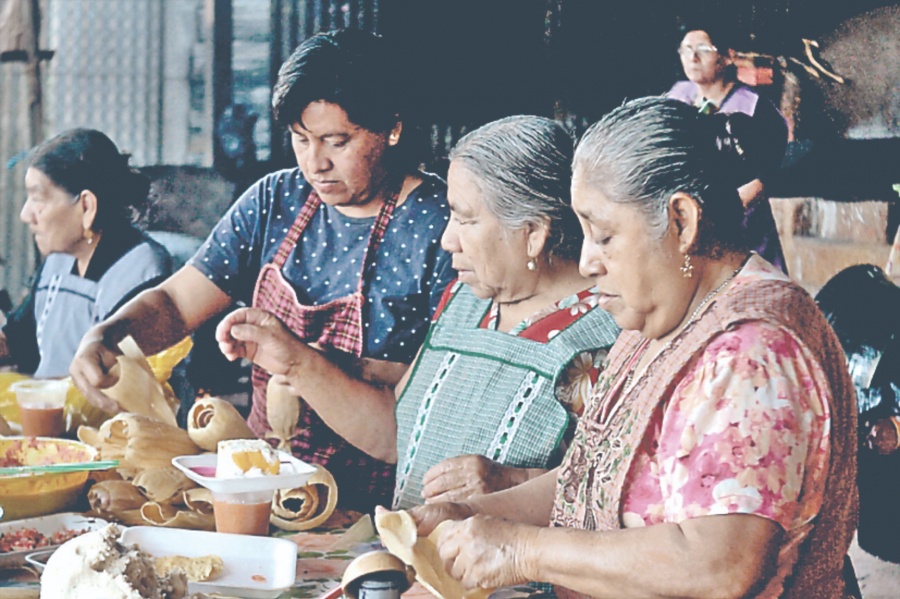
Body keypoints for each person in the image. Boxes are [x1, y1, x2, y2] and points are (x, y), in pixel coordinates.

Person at [411, 97, 858, 598]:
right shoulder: (659, 322)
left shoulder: (752, 350)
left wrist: (523, 550)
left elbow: (720, 563)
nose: (586, 263)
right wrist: (471, 516)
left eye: (603, 236)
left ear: (682, 222)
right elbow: (597, 476)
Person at [69, 29, 456, 512]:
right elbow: (173, 303)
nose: (316, 163)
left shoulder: (442, 225)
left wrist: (305, 361)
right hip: (260, 489)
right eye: (301, 139)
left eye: (338, 141)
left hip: (384, 507)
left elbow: (429, 411)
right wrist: (108, 335)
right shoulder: (276, 199)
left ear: (391, 128)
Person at [215, 115, 619, 510]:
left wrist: (514, 483)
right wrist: (296, 363)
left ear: (534, 233)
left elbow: (616, 495)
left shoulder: (606, 338)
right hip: (415, 567)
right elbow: (397, 434)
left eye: (465, 219)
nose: (447, 240)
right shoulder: (466, 300)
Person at [0, 128, 172, 378]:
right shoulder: (58, 260)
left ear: (86, 206)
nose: (25, 215)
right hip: (52, 408)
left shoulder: (142, 269)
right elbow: (20, 340)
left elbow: (129, 381)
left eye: (38, 199)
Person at [668, 23, 789, 274]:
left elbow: (766, 172)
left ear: (726, 57)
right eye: (686, 49)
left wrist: (724, 210)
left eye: (703, 49)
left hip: (742, 222)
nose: (693, 57)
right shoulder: (676, 98)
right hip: (689, 217)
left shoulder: (754, 108)